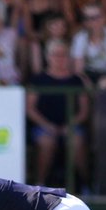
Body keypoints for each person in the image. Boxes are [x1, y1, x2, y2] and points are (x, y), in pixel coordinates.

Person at [25, 39, 91, 187]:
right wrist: (47, 125)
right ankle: (40, 184)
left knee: (77, 140)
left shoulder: (77, 80)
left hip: (72, 126)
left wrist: (70, 124)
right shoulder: (38, 80)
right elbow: (30, 109)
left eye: (63, 55)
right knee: (46, 142)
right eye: (55, 55)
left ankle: (86, 184)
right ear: (48, 57)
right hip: (43, 126)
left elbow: (84, 111)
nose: (60, 58)